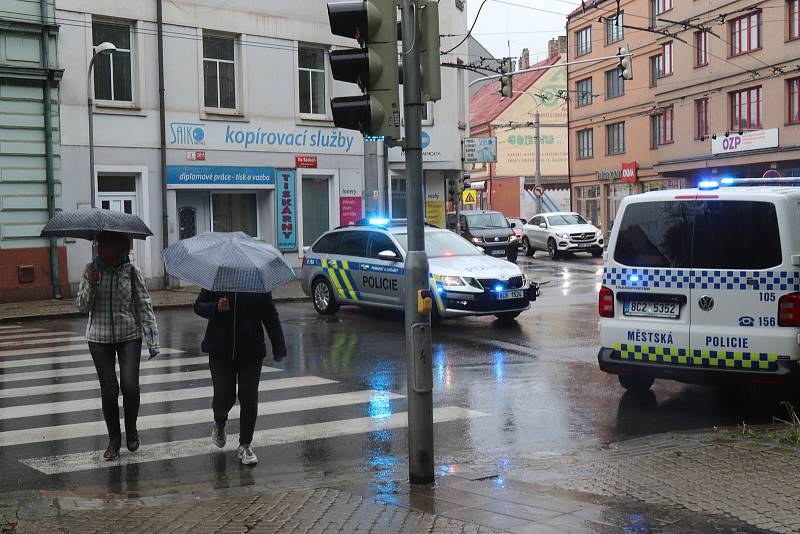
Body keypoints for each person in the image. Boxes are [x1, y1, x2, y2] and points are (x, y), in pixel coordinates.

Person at [76, 231, 160, 460]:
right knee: (110, 390)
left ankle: (131, 428)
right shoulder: (90, 270)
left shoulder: (132, 272)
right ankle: (114, 439)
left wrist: (152, 340)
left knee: (130, 387)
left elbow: (144, 305)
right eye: (99, 244)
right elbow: (82, 306)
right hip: (99, 338)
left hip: (129, 336)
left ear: (120, 247)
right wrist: (92, 284)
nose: (100, 248)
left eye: (105, 245)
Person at [194, 290, 286, 465]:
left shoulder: (256, 282)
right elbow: (198, 306)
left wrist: (278, 346)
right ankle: (220, 421)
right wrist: (216, 307)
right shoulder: (219, 277)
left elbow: (269, 314)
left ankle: (245, 444)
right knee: (223, 396)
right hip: (220, 351)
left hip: (251, 352)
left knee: (249, 397)